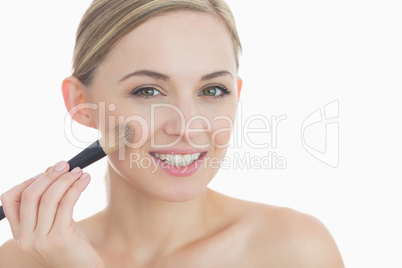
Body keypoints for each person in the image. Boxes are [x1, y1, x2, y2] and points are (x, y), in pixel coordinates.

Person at [0, 0, 344, 267]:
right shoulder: (21, 259)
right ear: (81, 103)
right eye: (148, 91)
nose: (187, 127)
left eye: (212, 90)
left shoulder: (294, 250)